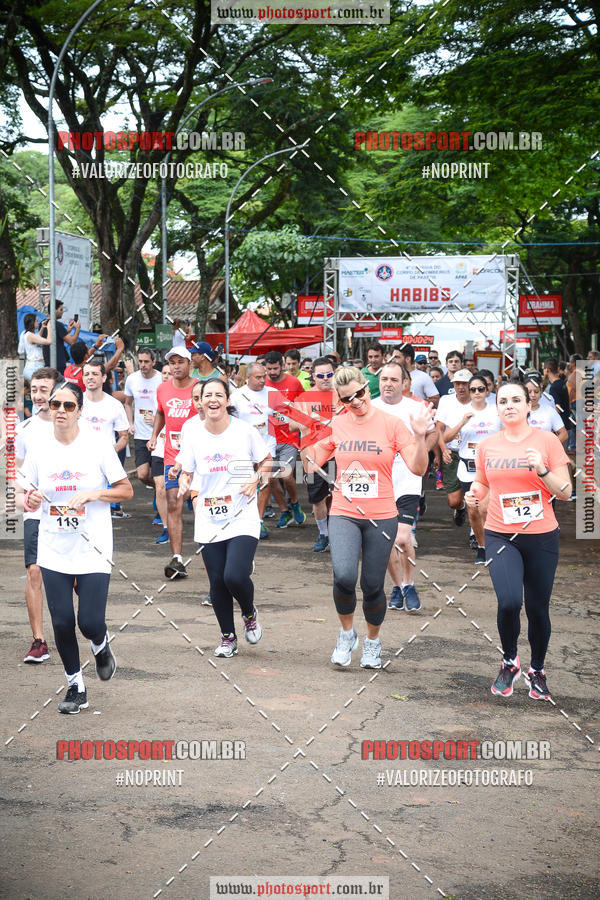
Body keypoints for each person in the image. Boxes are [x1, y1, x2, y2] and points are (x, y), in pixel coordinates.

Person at [299, 366, 433, 669]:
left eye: (359, 393)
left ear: (367, 388)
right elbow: (309, 466)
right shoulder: (337, 424)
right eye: (348, 399)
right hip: (345, 512)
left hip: (382, 514)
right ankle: (347, 634)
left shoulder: (392, 424)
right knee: (344, 577)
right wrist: (308, 431)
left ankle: (373, 642)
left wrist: (421, 436)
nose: (356, 401)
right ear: (340, 401)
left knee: (372, 585)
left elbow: (417, 468)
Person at [17, 381, 133, 713]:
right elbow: (24, 489)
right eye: (56, 405)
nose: (61, 411)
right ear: (48, 408)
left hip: (93, 546)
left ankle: (100, 644)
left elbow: (126, 491)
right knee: (63, 622)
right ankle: (75, 687)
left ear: (80, 410)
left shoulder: (97, 446)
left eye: (69, 406)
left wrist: (95, 494)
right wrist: (30, 496)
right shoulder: (40, 448)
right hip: (54, 547)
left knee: (90, 621)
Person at [465, 381, 571, 701]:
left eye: (516, 400)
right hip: (501, 534)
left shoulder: (547, 441)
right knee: (509, 601)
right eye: (503, 401)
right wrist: (474, 495)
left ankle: (537, 669)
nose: (509, 405)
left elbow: (565, 492)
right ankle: (510, 661)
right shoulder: (487, 445)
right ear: (497, 408)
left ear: (528, 406)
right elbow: (482, 483)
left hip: (541, 536)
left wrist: (541, 469)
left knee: (538, 609)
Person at [176, 378, 272, 657]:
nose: (213, 399)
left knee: (235, 575)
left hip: (242, 513)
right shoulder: (192, 433)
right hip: (208, 516)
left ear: (228, 401)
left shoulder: (244, 431)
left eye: (219, 394)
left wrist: (256, 480)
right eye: (208, 395)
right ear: (201, 401)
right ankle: (227, 638)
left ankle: (249, 612)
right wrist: (185, 485)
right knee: (217, 581)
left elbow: (266, 462)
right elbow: (188, 471)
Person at [372, 362, 438, 610]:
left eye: (394, 380)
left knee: (402, 537)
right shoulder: (369, 407)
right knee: (386, 540)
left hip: (408, 480)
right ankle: (400, 587)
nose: (388, 384)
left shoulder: (416, 408)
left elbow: (433, 434)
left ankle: (409, 583)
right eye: (384, 379)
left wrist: (418, 452)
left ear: (404, 383)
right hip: (378, 484)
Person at [14, 367, 61, 663]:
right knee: (35, 571)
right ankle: (39, 641)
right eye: (34, 390)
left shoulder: (71, 424)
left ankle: (89, 629)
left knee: (72, 577)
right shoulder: (23, 430)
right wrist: (23, 496)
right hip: (35, 513)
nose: (38, 395)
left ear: (56, 391)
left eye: (44, 390)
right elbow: (15, 473)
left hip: (71, 511)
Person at [148, 347, 198, 578]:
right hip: (172, 456)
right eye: (173, 362)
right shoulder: (162, 388)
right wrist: (154, 435)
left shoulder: (200, 388)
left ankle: (215, 551)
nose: (177, 366)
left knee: (200, 504)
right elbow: (160, 412)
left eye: (181, 362)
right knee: (173, 502)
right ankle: (177, 558)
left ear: (190, 364)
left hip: (199, 456)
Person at [442, 373, 502, 563]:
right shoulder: (461, 411)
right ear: (469, 391)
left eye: (481, 389)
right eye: (473, 389)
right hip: (468, 466)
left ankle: (490, 545)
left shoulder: (496, 410)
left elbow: (508, 434)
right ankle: (481, 546)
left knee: (488, 508)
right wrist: (462, 423)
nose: (476, 392)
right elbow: (445, 438)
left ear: (487, 390)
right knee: (473, 509)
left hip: (492, 465)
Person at [289, 356, 340, 552]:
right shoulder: (304, 398)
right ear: (313, 377)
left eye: (329, 374)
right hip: (313, 455)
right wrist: (305, 423)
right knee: (317, 499)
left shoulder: (342, 395)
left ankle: (337, 533)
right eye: (321, 376)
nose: (326, 379)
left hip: (339, 453)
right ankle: (323, 533)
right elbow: (292, 425)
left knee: (339, 496)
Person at [231, 362, 277, 539]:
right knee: (245, 482)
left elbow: (284, 414)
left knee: (265, 480)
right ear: (247, 377)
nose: (262, 380)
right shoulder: (237, 396)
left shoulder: (272, 394)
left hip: (267, 442)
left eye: (264, 376)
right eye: (258, 377)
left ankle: (259, 521)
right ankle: (242, 518)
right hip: (244, 445)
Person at [264, 350, 306, 528]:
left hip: (289, 437)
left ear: (282, 365)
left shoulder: (294, 383)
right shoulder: (261, 383)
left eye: (275, 368)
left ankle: (295, 503)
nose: (272, 372)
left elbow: (304, 405)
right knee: (271, 478)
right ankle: (285, 511)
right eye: (269, 369)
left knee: (287, 475)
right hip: (268, 439)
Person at [435, 368, 473, 526]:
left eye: (464, 383)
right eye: (457, 383)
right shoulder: (446, 400)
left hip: (472, 454)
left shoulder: (479, 402)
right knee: (454, 501)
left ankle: (474, 534)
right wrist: (443, 450)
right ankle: (461, 507)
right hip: (452, 452)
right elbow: (438, 429)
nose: (461, 387)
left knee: (475, 496)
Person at [124, 349, 162, 489]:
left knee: (159, 475)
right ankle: (161, 490)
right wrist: (130, 423)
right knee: (142, 475)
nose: (143, 365)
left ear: (153, 362)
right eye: (140, 361)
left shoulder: (161, 378)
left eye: (146, 361)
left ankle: (161, 496)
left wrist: (157, 420)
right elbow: (127, 404)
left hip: (158, 433)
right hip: (140, 434)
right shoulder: (132, 379)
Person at [525, 377, 568, 444]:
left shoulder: (549, 411)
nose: (533, 395)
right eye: (529, 392)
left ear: (541, 393)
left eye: (536, 392)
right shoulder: (517, 411)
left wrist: (549, 446)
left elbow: (564, 434)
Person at [42, 301, 81, 374]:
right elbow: (72, 342)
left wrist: (67, 331)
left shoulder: (43, 324)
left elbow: (56, 337)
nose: (62, 312)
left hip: (47, 363)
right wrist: (77, 329)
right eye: (61, 310)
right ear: (54, 310)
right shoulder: (58, 325)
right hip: (58, 364)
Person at [19, 313, 52, 381]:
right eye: (36, 320)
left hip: (31, 365)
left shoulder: (25, 333)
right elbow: (49, 341)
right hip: (34, 367)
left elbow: (36, 338)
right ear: (32, 323)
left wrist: (42, 327)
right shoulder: (31, 336)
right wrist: (49, 328)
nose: (38, 322)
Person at [543, 358, 571, 432]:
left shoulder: (554, 387)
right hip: (566, 423)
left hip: (560, 427)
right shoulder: (562, 383)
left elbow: (557, 408)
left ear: (547, 370)